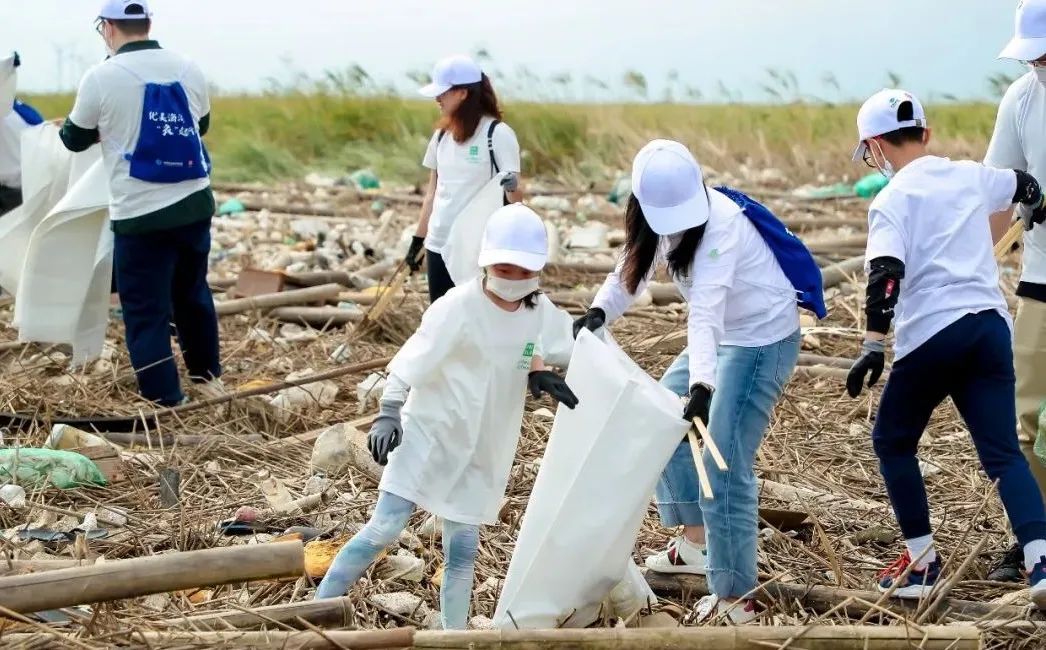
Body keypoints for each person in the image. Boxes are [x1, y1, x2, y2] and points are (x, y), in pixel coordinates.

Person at [575, 140, 820, 624]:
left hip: (759, 339)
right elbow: (631, 270)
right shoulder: (650, 219)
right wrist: (599, 313)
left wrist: (703, 388)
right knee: (661, 411)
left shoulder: (722, 225)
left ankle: (736, 598)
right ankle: (695, 541)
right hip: (724, 335)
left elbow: (704, 316)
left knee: (724, 460)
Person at [316, 203, 579, 629]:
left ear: (535, 272)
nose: (510, 280)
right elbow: (410, 359)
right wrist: (388, 411)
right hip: (430, 434)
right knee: (383, 529)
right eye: (504, 269)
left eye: (520, 272)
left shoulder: (539, 312)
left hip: (484, 448)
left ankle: (453, 635)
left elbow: (548, 345)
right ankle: (317, 605)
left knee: (463, 552)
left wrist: (541, 374)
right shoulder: (458, 306)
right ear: (488, 263)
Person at [845, 88, 1046, 607]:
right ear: (926, 133)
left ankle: (921, 563)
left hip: (933, 333)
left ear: (875, 148)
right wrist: (1037, 206)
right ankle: (1040, 560)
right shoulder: (970, 174)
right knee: (1003, 453)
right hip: (988, 328)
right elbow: (1025, 184)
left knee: (893, 441)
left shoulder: (890, 200)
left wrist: (871, 345)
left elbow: (885, 276)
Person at [58, 0, 221, 406]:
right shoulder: (189, 67)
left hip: (139, 213)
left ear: (108, 28)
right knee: (193, 293)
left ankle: (165, 398)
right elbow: (199, 126)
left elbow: (73, 138)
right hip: (194, 202)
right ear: (148, 23)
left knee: (145, 310)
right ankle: (207, 377)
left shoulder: (101, 77)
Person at [982, 0, 1046, 583]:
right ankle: (1035, 537)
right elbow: (998, 193)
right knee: (1027, 419)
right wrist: (974, 271)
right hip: (1041, 285)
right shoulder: (1023, 99)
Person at [406, 54, 523, 303]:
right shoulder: (441, 137)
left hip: (477, 248)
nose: (437, 98)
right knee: (442, 320)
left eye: (443, 92)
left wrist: (513, 189)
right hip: (438, 244)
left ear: (462, 93)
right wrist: (418, 241)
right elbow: (432, 194)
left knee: (479, 319)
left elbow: (516, 201)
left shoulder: (497, 134)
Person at [0, 53, 44, 215]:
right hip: (22, 190)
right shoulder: (19, 110)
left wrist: (9, 62)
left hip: (18, 193)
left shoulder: (16, 111)